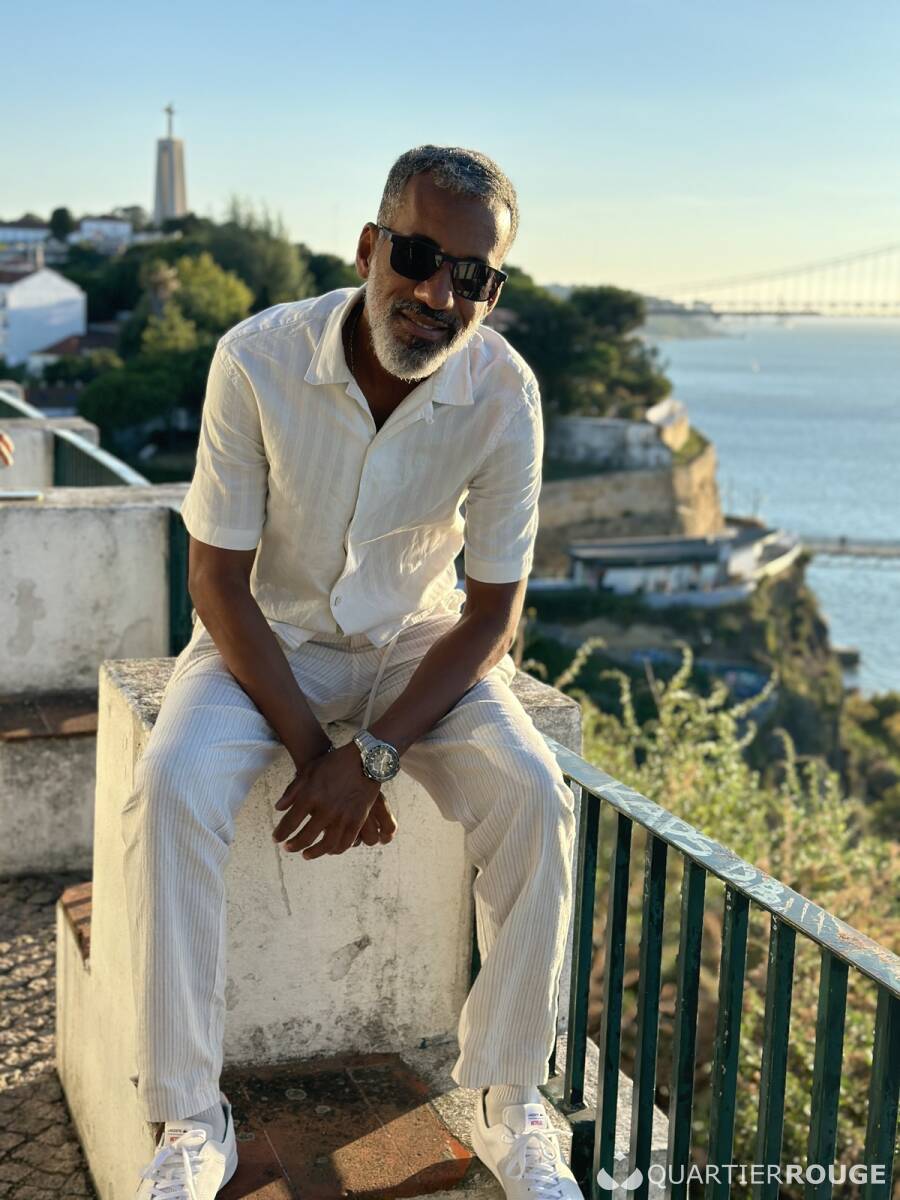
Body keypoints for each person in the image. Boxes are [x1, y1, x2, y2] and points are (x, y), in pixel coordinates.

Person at [124, 145, 580, 1199]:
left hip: (417, 644)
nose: (438, 294)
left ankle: (508, 1100)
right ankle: (188, 1120)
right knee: (174, 783)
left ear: (492, 290)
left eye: (472, 275)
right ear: (370, 248)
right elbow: (216, 582)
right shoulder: (257, 358)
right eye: (417, 257)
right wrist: (313, 755)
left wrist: (372, 756)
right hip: (263, 639)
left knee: (533, 793)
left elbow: (492, 614)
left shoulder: (504, 394)